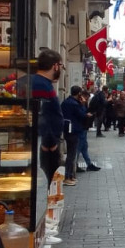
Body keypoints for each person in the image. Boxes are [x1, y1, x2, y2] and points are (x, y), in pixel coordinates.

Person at [30, 48, 64, 185]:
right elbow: (44, 115)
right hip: (47, 144)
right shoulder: (42, 85)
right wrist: (49, 143)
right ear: (55, 66)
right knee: (53, 183)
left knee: (54, 182)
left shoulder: (43, 83)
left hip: (46, 141)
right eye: (60, 65)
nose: (60, 69)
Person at [61, 85, 86, 186]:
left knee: (71, 154)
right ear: (79, 93)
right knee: (71, 155)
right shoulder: (75, 104)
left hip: (67, 130)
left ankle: (70, 176)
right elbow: (82, 115)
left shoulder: (65, 102)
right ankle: (68, 177)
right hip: (74, 130)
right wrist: (83, 104)